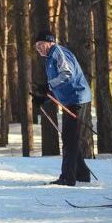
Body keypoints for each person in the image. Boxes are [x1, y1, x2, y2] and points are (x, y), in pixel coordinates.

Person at [32, 31, 92, 186]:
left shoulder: (58, 53)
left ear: (50, 42)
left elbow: (67, 74)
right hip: (69, 100)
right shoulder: (50, 58)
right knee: (69, 138)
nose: (38, 49)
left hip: (77, 98)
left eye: (40, 45)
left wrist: (48, 86)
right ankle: (82, 174)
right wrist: (43, 98)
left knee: (69, 139)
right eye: (36, 46)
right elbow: (57, 85)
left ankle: (67, 177)